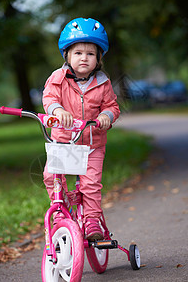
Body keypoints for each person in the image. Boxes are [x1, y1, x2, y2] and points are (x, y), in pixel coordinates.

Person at [43, 17, 120, 240]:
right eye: (78, 53)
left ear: (98, 58)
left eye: (90, 53)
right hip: (64, 142)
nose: (84, 58)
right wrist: (57, 111)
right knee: (52, 176)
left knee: (91, 184)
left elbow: (112, 106)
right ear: (67, 55)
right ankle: (61, 210)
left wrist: (106, 116)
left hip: (92, 144)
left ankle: (92, 221)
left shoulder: (102, 82)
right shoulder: (58, 78)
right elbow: (49, 98)